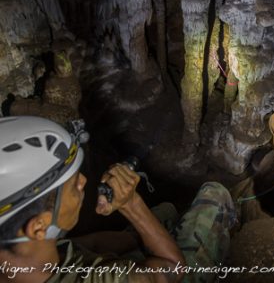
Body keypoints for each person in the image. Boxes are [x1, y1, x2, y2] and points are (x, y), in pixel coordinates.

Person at [0, 116, 236, 283]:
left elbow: (85, 245)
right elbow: (173, 267)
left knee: (164, 212)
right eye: (72, 186)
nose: (83, 181)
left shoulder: (26, 256)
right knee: (214, 196)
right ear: (38, 227)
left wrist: (132, 238)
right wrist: (131, 205)